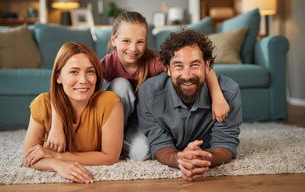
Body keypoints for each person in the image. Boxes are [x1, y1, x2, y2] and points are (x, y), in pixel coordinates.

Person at [47, 11, 230, 160]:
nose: (133, 49)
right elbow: (60, 91)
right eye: (126, 41)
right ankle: (113, 140)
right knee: (120, 86)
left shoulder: (155, 62)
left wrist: (218, 96)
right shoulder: (105, 65)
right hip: (118, 117)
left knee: (140, 154)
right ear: (114, 40)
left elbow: (202, 69)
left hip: (144, 120)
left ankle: (120, 146)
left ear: (146, 42)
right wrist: (56, 126)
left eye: (139, 42)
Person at [136, 29, 242, 181]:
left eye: (194, 65)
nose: (187, 76)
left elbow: (226, 142)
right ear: (167, 69)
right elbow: (159, 143)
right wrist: (179, 158)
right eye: (178, 66)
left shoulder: (229, 92)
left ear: (207, 66)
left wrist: (202, 160)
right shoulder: (148, 94)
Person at [22, 42, 124, 183]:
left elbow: (110, 157)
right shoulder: (42, 104)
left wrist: (55, 156)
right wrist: (57, 165)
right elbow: (28, 158)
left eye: (90, 71)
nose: (83, 80)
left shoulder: (109, 102)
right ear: (58, 77)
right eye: (74, 72)